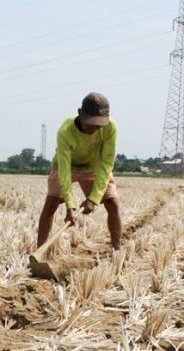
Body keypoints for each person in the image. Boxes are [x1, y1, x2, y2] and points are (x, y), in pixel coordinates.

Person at [37, 92, 121, 250]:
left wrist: (94, 198)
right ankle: (39, 252)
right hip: (68, 166)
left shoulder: (110, 128)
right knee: (52, 202)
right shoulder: (65, 131)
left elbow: (106, 163)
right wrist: (70, 206)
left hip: (94, 167)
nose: (94, 129)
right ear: (80, 114)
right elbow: (64, 169)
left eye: (99, 125)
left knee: (112, 202)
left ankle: (117, 249)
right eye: (90, 123)